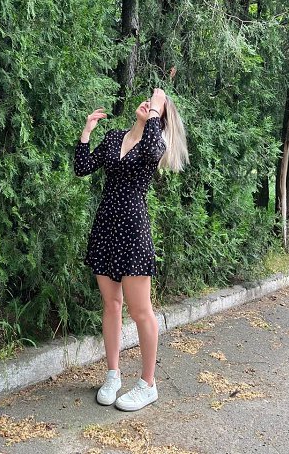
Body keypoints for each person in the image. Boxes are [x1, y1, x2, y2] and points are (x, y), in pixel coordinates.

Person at [74, 87, 189, 411]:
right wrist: (86, 133)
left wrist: (157, 107)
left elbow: (152, 146)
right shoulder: (114, 137)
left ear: (159, 119)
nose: (148, 104)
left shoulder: (155, 144)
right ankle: (113, 375)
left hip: (133, 231)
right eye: (149, 101)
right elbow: (82, 167)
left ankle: (148, 384)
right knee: (111, 304)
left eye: (155, 106)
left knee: (140, 311)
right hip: (106, 227)